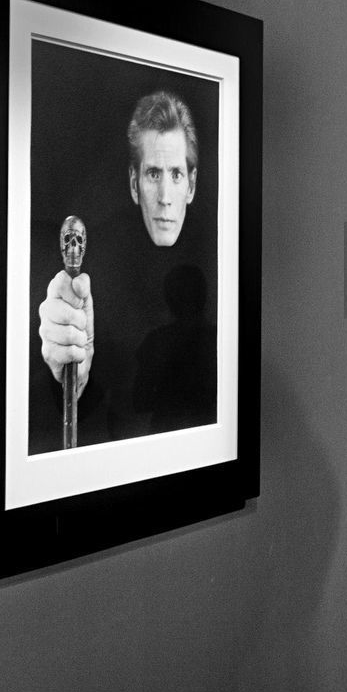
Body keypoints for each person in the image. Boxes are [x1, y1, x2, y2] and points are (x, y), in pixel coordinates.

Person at [34, 90, 216, 452]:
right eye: (153, 174)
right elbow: (85, 402)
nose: (165, 195)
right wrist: (67, 372)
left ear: (192, 184)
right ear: (135, 183)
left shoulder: (221, 249)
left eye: (176, 174)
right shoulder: (99, 261)